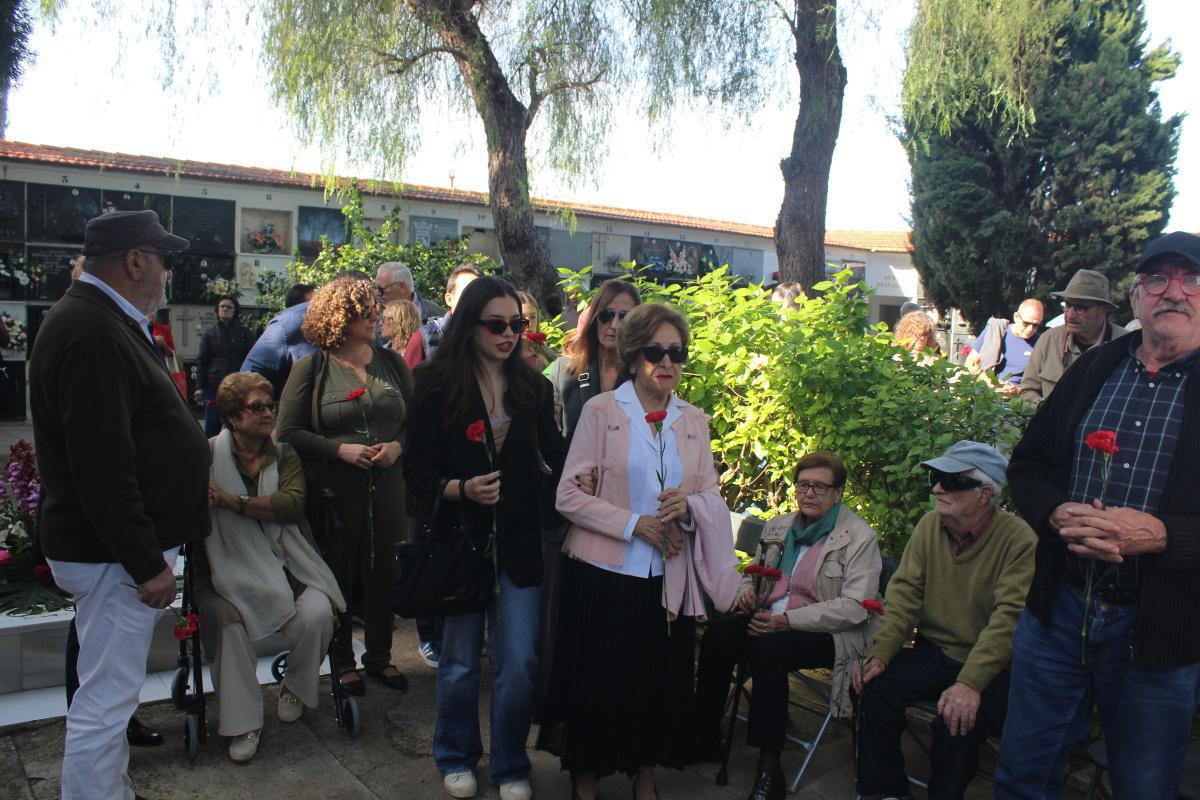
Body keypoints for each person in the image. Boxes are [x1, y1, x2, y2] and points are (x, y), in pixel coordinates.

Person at [997, 232, 1200, 798]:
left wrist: (1165, 536)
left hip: (1156, 633)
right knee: (1021, 778)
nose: (1174, 292)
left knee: (1142, 787)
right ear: (1136, 298)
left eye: (1192, 279)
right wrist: (1056, 512)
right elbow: (1029, 464)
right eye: (1157, 278)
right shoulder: (1095, 370)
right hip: (1058, 612)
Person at [29, 209, 207, 800]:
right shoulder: (92, 330)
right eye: (162, 261)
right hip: (113, 556)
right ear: (135, 262)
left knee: (106, 691)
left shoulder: (102, 320)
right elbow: (101, 466)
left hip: (112, 553)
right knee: (106, 699)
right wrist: (145, 562)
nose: (165, 274)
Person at [542, 302, 741, 800]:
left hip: (665, 578)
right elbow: (568, 495)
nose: (667, 362)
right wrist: (635, 524)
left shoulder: (693, 420)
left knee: (654, 681)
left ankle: (644, 775)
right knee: (597, 679)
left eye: (676, 352)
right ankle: (585, 776)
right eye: (655, 351)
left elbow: (712, 495)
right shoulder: (602, 411)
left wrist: (690, 505)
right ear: (633, 355)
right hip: (602, 572)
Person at [403, 276, 565, 800]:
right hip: (458, 543)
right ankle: (455, 754)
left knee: (519, 662)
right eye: (497, 324)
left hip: (517, 543)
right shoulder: (432, 384)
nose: (509, 334)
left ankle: (512, 763)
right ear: (469, 325)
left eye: (516, 324)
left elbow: (556, 460)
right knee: (458, 663)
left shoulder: (533, 388)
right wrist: (459, 488)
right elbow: (416, 470)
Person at [852, 441, 1035, 800]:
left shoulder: (1019, 541)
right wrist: (881, 654)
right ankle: (888, 791)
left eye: (951, 481)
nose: (937, 487)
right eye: (936, 477)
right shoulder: (929, 526)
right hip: (934, 652)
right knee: (871, 688)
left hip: (992, 668)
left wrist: (970, 683)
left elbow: (1008, 621)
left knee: (958, 722)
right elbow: (904, 596)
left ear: (984, 494)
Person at [693, 452, 883, 800]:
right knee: (719, 636)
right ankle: (703, 736)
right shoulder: (780, 525)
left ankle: (769, 765)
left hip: (825, 631)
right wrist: (748, 592)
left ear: (838, 492)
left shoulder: (859, 537)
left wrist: (788, 621)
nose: (809, 493)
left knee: (769, 649)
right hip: (772, 617)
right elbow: (754, 570)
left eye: (820, 487)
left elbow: (855, 608)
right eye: (803, 485)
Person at [194, 372, 345, 763]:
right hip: (221, 569)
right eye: (256, 407)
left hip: (285, 561)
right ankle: (244, 722)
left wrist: (232, 501)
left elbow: (290, 505)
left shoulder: (284, 454)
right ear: (231, 416)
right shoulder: (206, 455)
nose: (268, 413)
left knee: (318, 613)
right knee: (226, 622)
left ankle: (295, 685)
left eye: (270, 405)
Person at [276, 276, 414, 697]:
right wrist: (338, 451)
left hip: (389, 487)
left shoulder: (393, 364)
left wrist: (397, 447)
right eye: (363, 310)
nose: (375, 314)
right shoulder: (311, 369)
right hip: (336, 493)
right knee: (337, 573)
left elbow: (416, 423)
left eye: (374, 306)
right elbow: (288, 432)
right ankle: (341, 661)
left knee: (385, 570)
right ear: (338, 316)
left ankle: (379, 657)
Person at [243, 270, 372, 400]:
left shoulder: (370, 328)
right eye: (355, 304)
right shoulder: (288, 325)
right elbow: (246, 381)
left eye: (368, 305)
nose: (372, 315)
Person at [545, 278, 642, 442]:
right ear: (595, 319)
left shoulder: (643, 377)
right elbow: (548, 436)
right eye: (606, 315)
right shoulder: (564, 370)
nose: (614, 325)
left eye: (624, 317)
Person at [1017, 270, 1127, 406]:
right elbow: (1027, 391)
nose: (1070, 315)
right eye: (1068, 305)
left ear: (1103, 310)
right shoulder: (1048, 340)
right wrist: (1044, 408)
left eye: (1081, 307)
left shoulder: (1125, 344)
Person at [195, 295, 256, 435]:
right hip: (214, 385)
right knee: (212, 426)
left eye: (229, 307)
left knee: (237, 425)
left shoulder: (244, 333)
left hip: (237, 385)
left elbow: (250, 357)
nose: (225, 309)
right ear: (217, 310)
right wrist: (199, 387)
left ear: (235, 311)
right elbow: (202, 361)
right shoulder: (210, 333)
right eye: (222, 306)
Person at [402, 263, 484, 368]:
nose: (474, 299)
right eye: (467, 293)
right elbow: (406, 383)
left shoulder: (495, 335)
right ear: (449, 299)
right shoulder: (425, 338)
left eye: (480, 294)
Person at [963, 299, 1044, 394]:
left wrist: (1016, 391)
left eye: (1035, 325)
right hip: (988, 395)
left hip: (1018, 400)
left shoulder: (1041, 343)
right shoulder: (996, 331)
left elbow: (1040, 383)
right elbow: (970, 364)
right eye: (1026, 323)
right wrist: (989, 382)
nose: (1030, 329)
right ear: (1016, 317)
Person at [377, 260, 445, 321]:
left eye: (382, 288)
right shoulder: (375, 316)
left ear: (401, 286)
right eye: (376, 287)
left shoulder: (437, 316)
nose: (378, 293)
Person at [516, 290, 556, 372]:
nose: (529, 324)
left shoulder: (549, 355)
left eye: (533, 317)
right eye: (522, 318)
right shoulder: (502, 358)